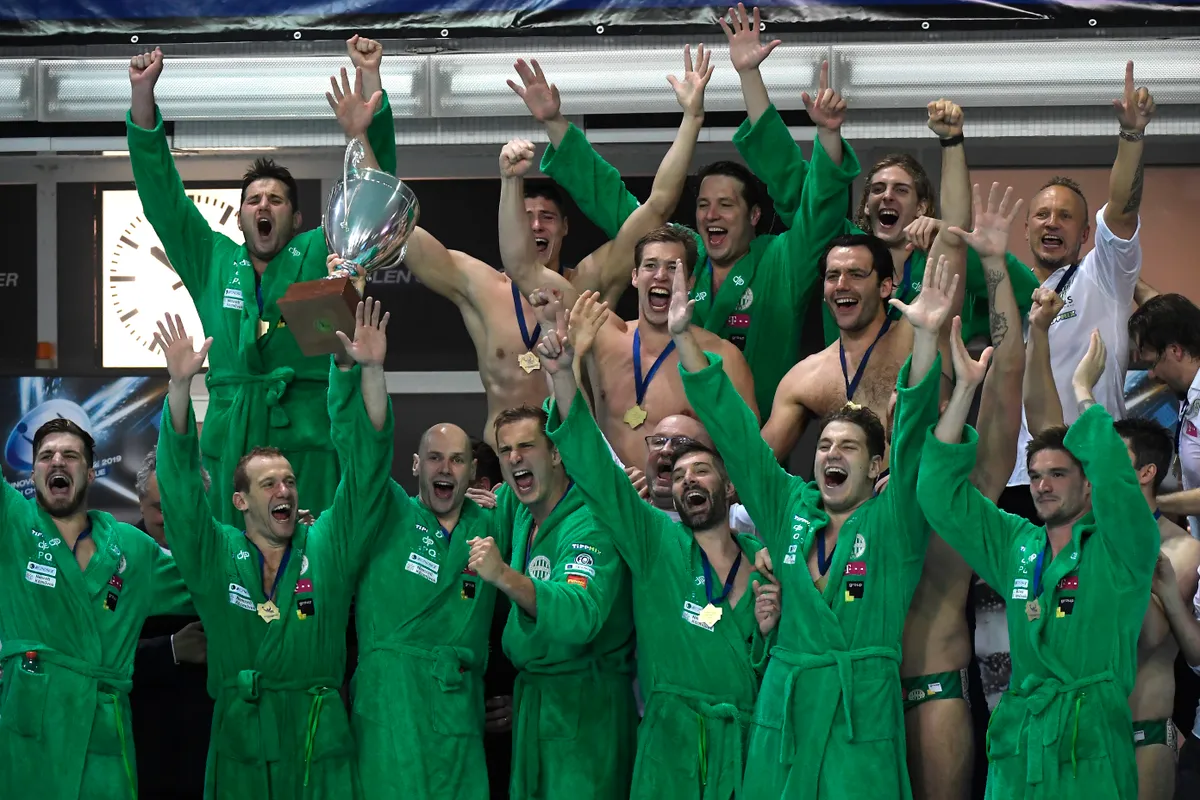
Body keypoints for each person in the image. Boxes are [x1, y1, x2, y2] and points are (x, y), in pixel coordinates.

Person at [674, 225, 950, 798]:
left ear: (877, 465)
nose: (831, 455)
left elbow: (917, 432)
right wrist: (683, 338)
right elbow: (740, 439)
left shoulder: (894, 519)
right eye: (824, 445)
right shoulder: (788, 510)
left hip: (859, 716)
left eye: (848, 447)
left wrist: (926, 340)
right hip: (787, 713)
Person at [369, 46, 709, 453]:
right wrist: (369, 94)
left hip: (575, 461)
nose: (535, 226)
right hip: (503, 466)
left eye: (547, 217)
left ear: (565, 227)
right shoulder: (479, 285)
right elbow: (393, 223)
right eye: (525, 215)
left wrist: (692, 118)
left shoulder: (588, 287)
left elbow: (658, 206)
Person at [536, 4, 860, 416]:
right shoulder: (683, 254)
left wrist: (755, 80)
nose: (710, 215)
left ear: (754, 216)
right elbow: (617, 206)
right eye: (704, 205)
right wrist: (555, 124)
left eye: (726, 205)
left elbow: (817, 207)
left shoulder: (782, 259)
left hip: (754, 437)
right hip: (673, 434)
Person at [125, 36, 397, 524]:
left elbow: (373, 208)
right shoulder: (212, 259)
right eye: (253, 200)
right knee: (233, 559)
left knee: (309, 556)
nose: (263, 206)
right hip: (231, 439)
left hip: (306, 441)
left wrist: (364, 124)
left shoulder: (318, 251)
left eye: (276, 200)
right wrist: (142, 97)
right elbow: (163, 198)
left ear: (297, 219)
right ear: (240, 218)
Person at [154, 300, 394, 799]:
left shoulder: (327, 546)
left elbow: (367, 473)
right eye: (268, 484)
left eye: (289, 481)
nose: (284, 490)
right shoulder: (215, 555)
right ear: (239, 501)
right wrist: (179, 387)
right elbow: (179, 492)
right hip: (243, 744)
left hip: (316, 743)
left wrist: (368, 372)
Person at [536, 289, 771, 798]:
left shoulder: (765, 560)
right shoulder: (654, 541)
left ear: (730, 485)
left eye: (700, 468)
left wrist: (771, 629)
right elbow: (596, 470)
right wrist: (562, 376)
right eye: (678, 474)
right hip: (669, 751)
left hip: (746, 750)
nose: (686, 479)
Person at [917, 327, 1160, 800]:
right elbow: (938, 495)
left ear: (1088, 483)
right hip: (1020, 749)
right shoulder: (1016, 543)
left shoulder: (1123, 548)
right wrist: (965, 391)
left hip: (1089, 748)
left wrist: (1083, 392)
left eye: (1058, 474)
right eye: (1035, 476)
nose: (1042, 486)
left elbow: (1118, 481)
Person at [897, 184, 1027, 800]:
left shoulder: (972, 489)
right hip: (856, 697)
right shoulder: (864, 494)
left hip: (933, 690)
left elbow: (1008, 373)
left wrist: (995, 266)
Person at [0, 419, 191, 799]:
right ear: (32, 474)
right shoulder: (12, 524)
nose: (57, 461)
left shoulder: (132, 548)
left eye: (70, 455)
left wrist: (283, 549)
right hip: (31, 733)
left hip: (102, 733)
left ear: (90, 473)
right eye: (46, 456)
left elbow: (208, 579)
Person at [1000, 61, 1156, 518]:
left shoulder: (1101, 275)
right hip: (1018, 480)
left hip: (1089, 474)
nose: (1052, 223)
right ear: (1026, 228)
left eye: (1065, 217)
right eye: (1042, 215)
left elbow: (1123, 210)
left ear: (1086, 234)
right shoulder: (1008, 292)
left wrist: (1131, 136)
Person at [466, 405, 636, 799]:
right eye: (505, 450)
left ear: (556, 453)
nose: (514, 458)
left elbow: (580, 613)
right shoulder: (522, 513)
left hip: (588, 713)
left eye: (526, 446)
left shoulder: (591, 519)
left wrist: (503, 574)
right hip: (538, 707)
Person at [351, 422, 508, 800]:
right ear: (416, 465)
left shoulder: (493, 524)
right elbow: (361, 450)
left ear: (473, 471)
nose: (445, 469)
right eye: (435, 458)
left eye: (457, 460)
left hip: (459, 713)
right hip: (390, 708)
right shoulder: (386, 514)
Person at [521, 222, 758, 468]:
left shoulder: (722, 356)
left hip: (679, 491)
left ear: (690, 282)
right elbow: (573, 425)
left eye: (673, 267)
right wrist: (550, 326)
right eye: (650, 265)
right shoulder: (602, 336)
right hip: (607, 487)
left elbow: (748, 451)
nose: (660, 275)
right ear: (635, 276)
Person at [761, 232, 960, 465]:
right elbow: (756, 468)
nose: (841, 285)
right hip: (843, 487)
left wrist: (945, 229)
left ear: (885, 287)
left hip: (915, 486)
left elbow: (953, 239)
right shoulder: (805, 378)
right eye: (832, 276)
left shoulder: (917, 332)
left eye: (856, 274)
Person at [130, 447, 214, 799]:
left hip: (212, 740)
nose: (173, 517)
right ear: (140, 503)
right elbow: (96, 656)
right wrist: (170, 650)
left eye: (184, 504)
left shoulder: (226, 557)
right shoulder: (115, 560)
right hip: (144, 738)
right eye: (161, 508)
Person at [1129, 293, 1200, 533]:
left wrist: (1152, 503)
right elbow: (1176, 317)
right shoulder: (1188, 393)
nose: (1151, 375)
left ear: (1175, 351)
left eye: (1152, 363)